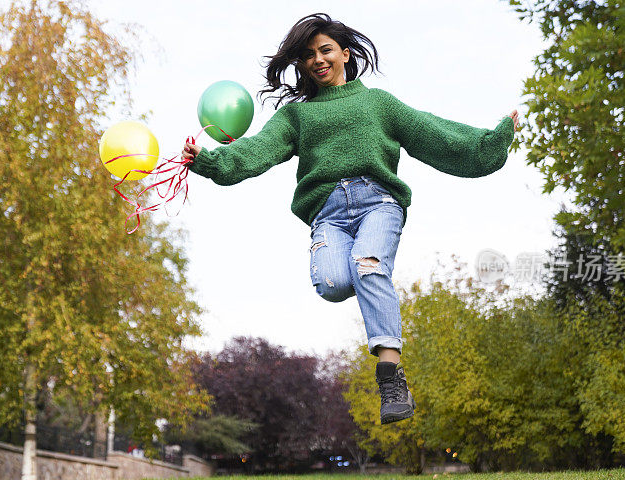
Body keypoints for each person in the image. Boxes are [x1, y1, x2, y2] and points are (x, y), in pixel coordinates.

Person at [182, 13, 519, 425]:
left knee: (368, 266)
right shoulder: (297, 117)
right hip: (328, 216)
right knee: (333, 283)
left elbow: (433, 132)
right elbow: (257, 150)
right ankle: (383, 344)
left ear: (345, 53)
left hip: (378, 203)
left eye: (325, 50)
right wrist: (209, 162)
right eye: (307, 55)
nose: (318, 60)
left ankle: (391, 376)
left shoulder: (377, 103)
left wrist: (490, 141)